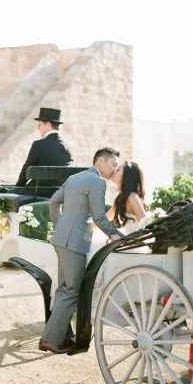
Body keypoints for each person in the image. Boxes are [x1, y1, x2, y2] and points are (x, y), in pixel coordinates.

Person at [39, 147, 123, 354]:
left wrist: (60, 225)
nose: (115, 169)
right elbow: (99, 217)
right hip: (75, 243)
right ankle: (49, 340)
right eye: (113, 164)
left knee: (63, 289)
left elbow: (53, 202)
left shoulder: (75, 177)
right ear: (101, 161)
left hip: (60, 240)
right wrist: (115, 234)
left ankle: (61, 337)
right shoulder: (98, 181)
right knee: (72, 290)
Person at [16, 107, 72, 187]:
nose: (38, 128)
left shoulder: (38, 145)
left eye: (40, 125)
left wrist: (17, 187)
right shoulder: (67, 147)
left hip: (37, 192)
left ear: (48, 125)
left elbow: (26, 170)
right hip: (59, 193)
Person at [109, 161, 147, 233]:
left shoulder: (132, 197)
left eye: (118, 170)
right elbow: (105, 218)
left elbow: (145, 224)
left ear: (126, 176)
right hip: (128, 241)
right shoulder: (120, 198)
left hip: (137, 242)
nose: (114, 171)